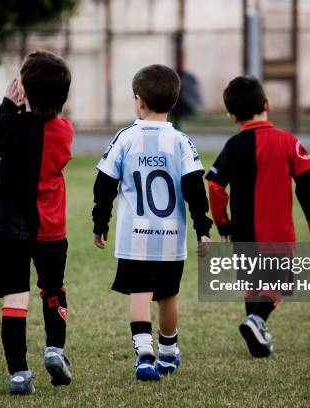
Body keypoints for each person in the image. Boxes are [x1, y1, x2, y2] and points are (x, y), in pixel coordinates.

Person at [92, 64, 212, 381]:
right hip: (171, 239)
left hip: (135, 237)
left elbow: (104, 183)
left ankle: (145, 355)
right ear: (173, 102)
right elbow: (195, 189)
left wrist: (100, 221)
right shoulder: (182, 142)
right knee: (168, 295)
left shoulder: (125, 138)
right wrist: (202, 228)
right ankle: (169, 353)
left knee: (140, 293)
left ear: (139, 100)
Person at [205, 76, 310, 358]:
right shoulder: (287, 141)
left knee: (253, 284)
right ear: (267, 104)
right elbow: (304, 184)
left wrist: (223, 222)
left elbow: (214, 185)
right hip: (277, 231)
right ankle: (256, 322)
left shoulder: (233, 146)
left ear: (231, 115)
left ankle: (256, 342)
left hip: (243, 230)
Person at [0, 51, 74, 394]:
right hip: (51, 228)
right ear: (62, 96)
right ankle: (54, 350)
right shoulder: (65, 131)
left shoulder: (13, 126)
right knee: (53, 289)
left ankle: (19, 373)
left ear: (24, 91)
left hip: (11, 227)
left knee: (15, 298)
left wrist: (7, 105)